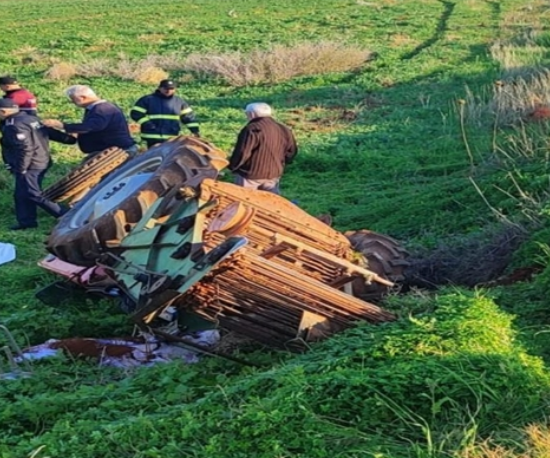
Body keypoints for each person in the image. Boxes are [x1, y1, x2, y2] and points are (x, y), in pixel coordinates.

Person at [0, 99, 76, 230]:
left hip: (30, 164)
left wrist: (21, 168)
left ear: (3, 111)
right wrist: (70, 139)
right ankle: (26, 222)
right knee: (21, 193)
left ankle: (66, 215)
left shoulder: (13, 125)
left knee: (33, 193)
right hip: (41, 160)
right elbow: (50, 133)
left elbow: (25, 148)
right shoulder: (30, 119)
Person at [43, 85, 137, 158]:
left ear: (82, 97)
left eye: (73, 99)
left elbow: (92, 126)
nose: (72, 102)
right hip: (111, 150)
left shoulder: (102, 109)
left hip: (115, 152)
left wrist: (63, 125)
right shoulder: (101, 108)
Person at [229, 102, 297, 194]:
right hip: (274, 174)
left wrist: (232, 166)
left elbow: (242, 152)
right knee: (270, 203)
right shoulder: (283, 129)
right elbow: (291, 151)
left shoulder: (251, 129)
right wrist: (281, 164)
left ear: (252, 114)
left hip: (250, 174)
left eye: (247, 114)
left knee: (245, 202)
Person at [130, 79, 200, 148]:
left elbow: (189, 118)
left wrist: (195, 131)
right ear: (160, 88)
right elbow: (136, 114)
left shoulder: (179, 102)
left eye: (171, 88)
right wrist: (148, 124)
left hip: (171, 138)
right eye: (165, 88)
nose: (168, 90)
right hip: (151, 137)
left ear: (175, 89)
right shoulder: (148, 99)